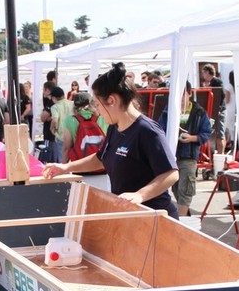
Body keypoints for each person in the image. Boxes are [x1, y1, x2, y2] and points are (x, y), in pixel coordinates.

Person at [43, 62, 179, 218]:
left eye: (98, 105)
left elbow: (171, 173)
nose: (98, 111)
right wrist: (65, 167)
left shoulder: (147, 131)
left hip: (154, 216)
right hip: (130, 215)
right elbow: (101, 158)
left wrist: (140, 195)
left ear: (112, 100)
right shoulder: (115, 128)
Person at [157, 82, 213, 217]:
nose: (180, 98)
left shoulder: (199, 112)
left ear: (189, 93)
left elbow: (206, 133)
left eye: (183, 94)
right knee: (175, 187)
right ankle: (184, 216)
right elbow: (159, 129)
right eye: (176, 95)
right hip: (171, 155)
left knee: (185, 187)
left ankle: (182, 220)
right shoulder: (167, 111)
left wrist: (192, 138)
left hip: (189, 156)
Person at [200, 63, 226, 156]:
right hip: (215, 110)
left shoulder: (217, 82)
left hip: (219, 110)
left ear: (207, 72)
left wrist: (218, 108)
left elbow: (222, 95)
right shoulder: (213, 82)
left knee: (219, 133)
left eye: (203, 73)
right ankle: (219, 153)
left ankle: (220, 154)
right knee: (218, 132)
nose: (203, 75)